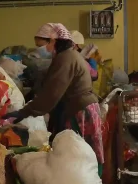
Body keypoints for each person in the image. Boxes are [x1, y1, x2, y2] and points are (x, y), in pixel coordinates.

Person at [9, 23, 104, 174]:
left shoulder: (65, 58)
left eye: (42, 45)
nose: (41, 50)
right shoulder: (68, 55)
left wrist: (26, 111)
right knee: (84, 153)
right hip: (80, 107)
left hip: (80, 110)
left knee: (83, 155)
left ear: (53, 41)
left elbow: (52, 93)